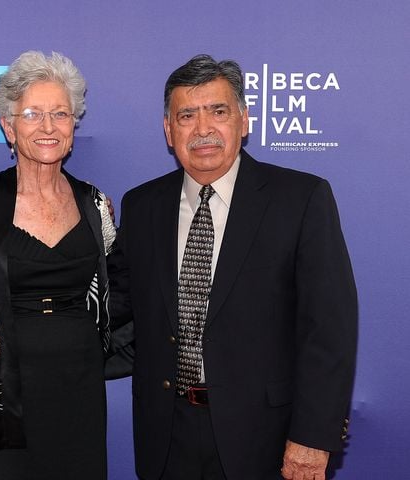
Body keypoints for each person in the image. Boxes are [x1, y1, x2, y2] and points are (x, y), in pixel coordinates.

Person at [107, 54, 357, 479]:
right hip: (166, 434)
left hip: (266, 437)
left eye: (218, 111)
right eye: (187, 115)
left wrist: (314, 438)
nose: (203, 128)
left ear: (244, 120)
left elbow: (329, 330)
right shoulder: (142, 205)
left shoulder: (301, 199)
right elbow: (114, 306)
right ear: (169, 131)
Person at [0, 51, 122, 480]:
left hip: (79, 391)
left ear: (74, 126)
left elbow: (118, 290)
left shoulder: (94, 204)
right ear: (8, 126)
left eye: (60, 114)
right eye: (32, 114)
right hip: (1, 397)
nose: (48, 126)